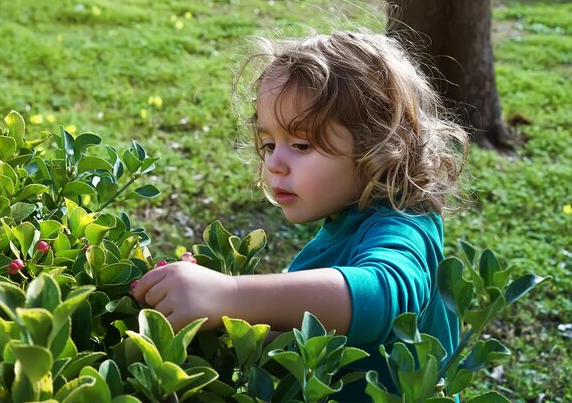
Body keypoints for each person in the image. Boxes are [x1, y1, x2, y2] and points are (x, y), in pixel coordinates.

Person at [132, 28, 469, 401]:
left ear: (380, 144)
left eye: (301, 144)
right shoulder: (347, 221)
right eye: (269, 143)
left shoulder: (405, 227)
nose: (275, 163)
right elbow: (316, 330)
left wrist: (229, 294)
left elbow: (383, 296)